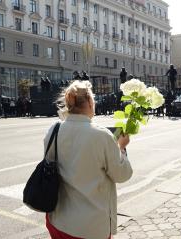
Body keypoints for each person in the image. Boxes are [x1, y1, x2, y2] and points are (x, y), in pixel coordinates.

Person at [45, 80, 133, 239]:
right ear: (91, 102)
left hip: (58, 220)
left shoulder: (54, 130)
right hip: (91, 227)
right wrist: (121, 147)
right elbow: (122, 175)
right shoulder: (102, 135)